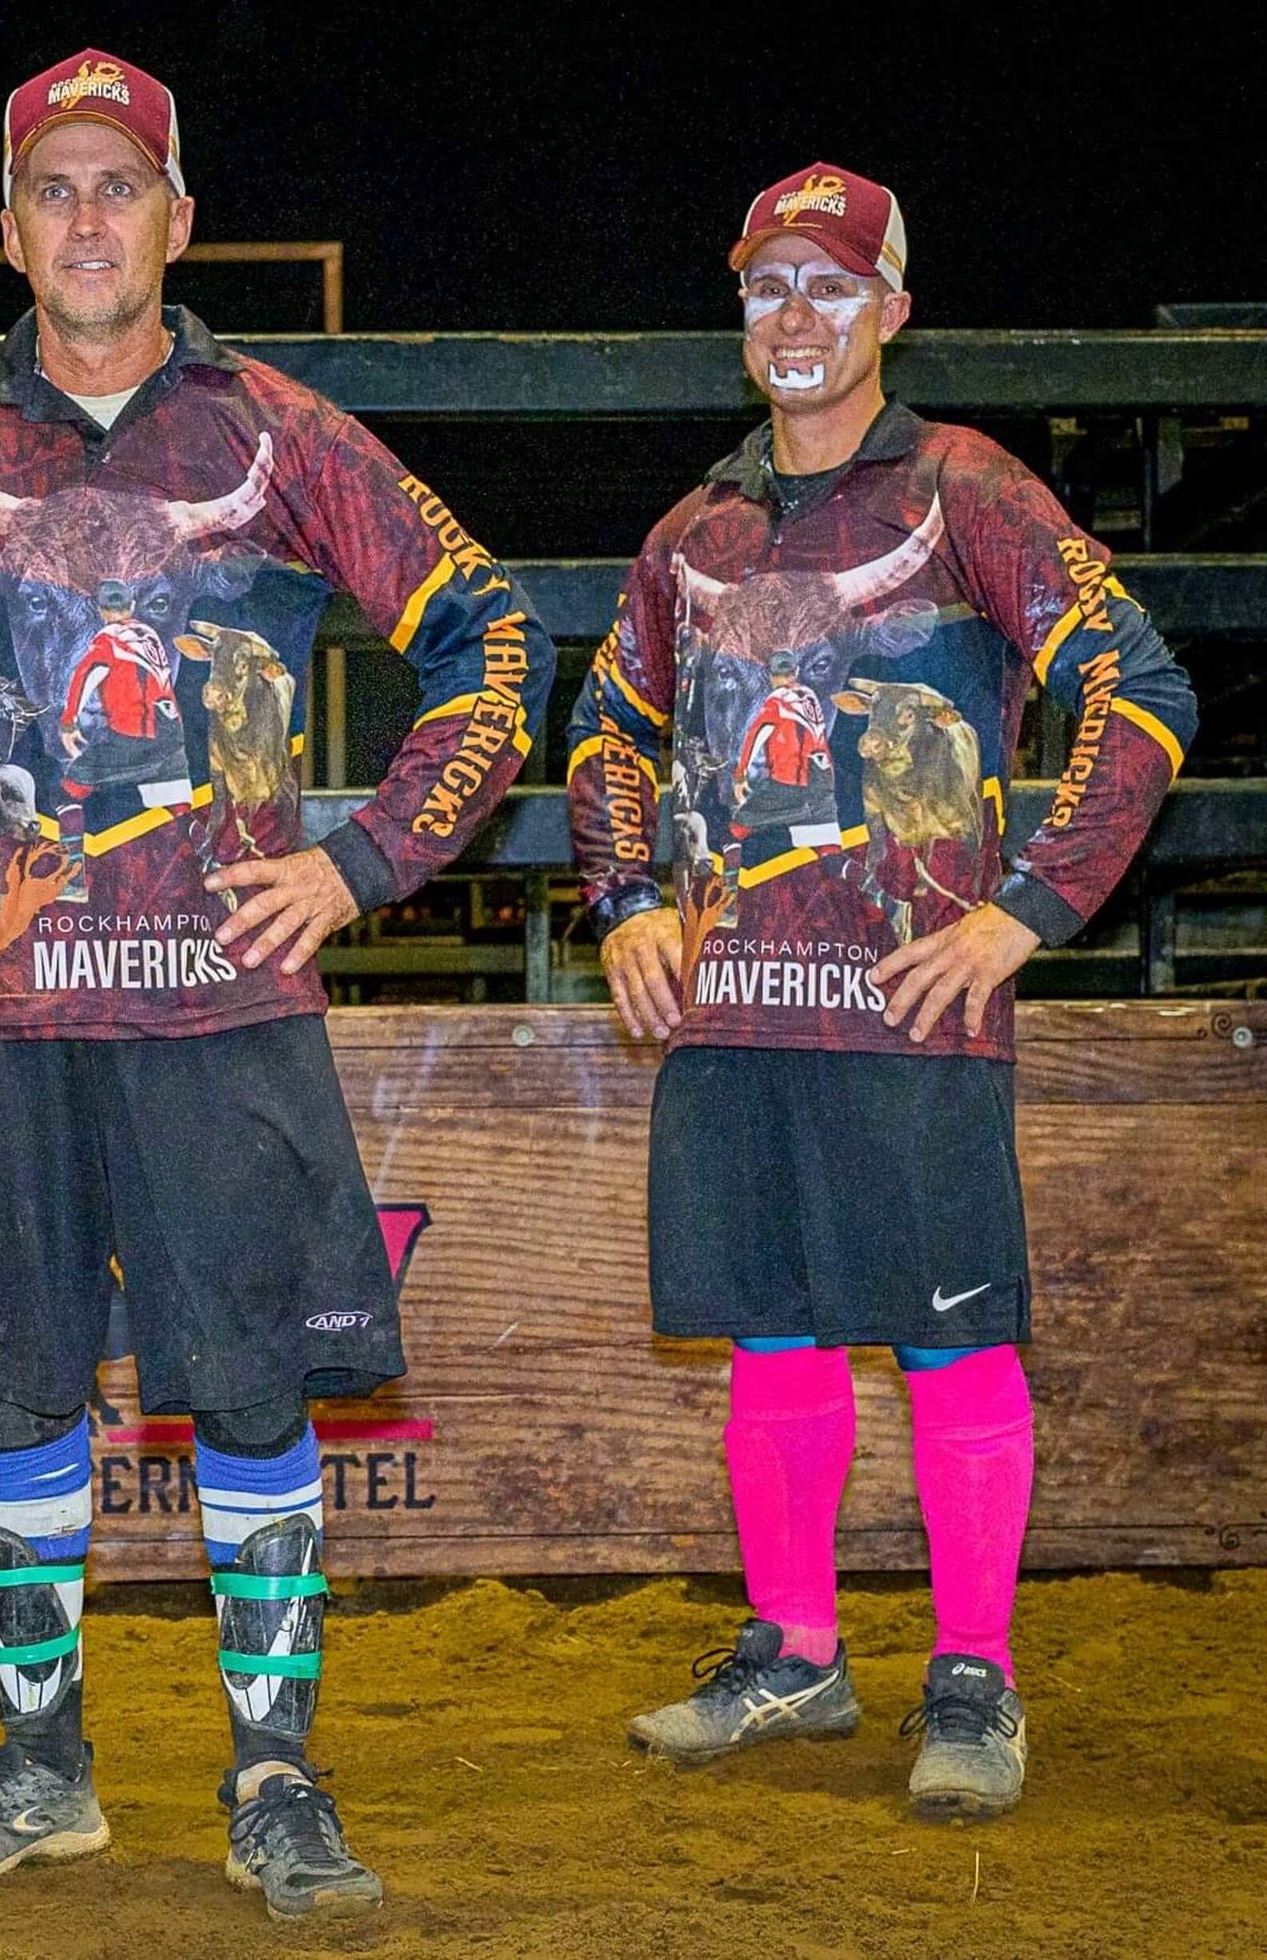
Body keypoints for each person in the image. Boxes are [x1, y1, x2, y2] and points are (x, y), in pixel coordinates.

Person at [0, 48, 552, 1917]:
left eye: (122, 187)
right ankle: (42, 1761)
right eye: (53, 191)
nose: (88, 222)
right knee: (14, 1391)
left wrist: (359, 861)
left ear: (180, 219)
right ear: (8, 230)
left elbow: (493, 639)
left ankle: (274, 1774)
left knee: (253, 1396)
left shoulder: (279, 431)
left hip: (218, 1012)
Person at [567, 163, 1196, 1819]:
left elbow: (1140, 685)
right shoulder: (693, 530)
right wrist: (626, 899)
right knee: (773, 1334)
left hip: (911, 1009)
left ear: (892, 311)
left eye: (831, 285)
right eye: (768, 284)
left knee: (949, 1348)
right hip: (737, 1016)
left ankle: (974, 1677)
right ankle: (795, 1657)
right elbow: (606, 731)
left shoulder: (966, 488)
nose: (795, 313)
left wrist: (1026, 913)